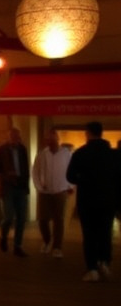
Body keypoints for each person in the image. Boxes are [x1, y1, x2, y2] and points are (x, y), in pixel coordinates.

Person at [66, 121, 120, 282]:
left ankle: (92, 268)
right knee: (105, 232)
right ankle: (105, 261)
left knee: (89, 234)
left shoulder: (81, 154)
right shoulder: (114, 154)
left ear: (88, 133)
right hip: (108, 200)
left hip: (87, 201)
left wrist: (83, 179)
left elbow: (70, 177)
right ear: (102, 133)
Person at [31, 130, 72, 258]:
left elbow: (72, 170)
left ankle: (57, 247)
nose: (50, 142)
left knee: (59, 220)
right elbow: (35, 172)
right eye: (48, 140)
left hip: (60, 190)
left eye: (53, 140)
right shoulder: (42, 155)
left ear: (57, 140)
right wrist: (38, 187)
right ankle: (47, 241)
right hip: (45, 191)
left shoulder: (66, 154)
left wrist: (70, 185)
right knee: (42, 219)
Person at [0, 127, 30, 257]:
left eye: (17, 136)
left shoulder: (22, 149)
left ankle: (18, 246)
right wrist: (7, 176)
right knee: (8, 217)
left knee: (21, 218)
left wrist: (25, 184)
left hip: (21, 187)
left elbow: (25, 168)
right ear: (8, 137)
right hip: (7, 187)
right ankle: (3, 236)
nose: (15, 139)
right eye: (12, 136)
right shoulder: (1, 150)